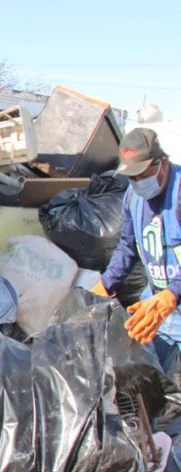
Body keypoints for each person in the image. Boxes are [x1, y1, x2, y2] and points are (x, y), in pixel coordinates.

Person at [95, 127, 181, 367]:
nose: (139, 183)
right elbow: (127, 246)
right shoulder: (132, 198)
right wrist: (107, 282)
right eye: (132, 177)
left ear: (162, 162)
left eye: (143, 175)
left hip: (171, 298)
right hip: (155, 305)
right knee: (148, 373)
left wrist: (173, 294)